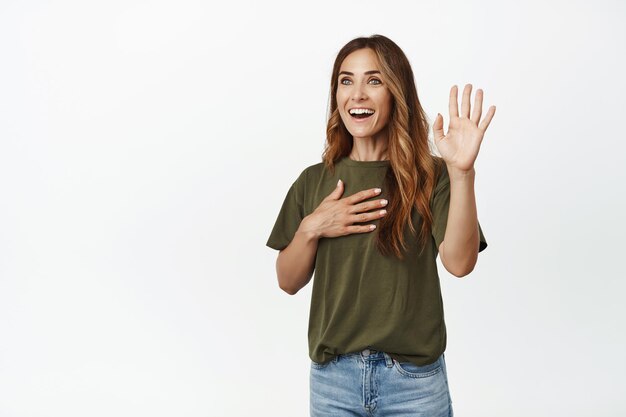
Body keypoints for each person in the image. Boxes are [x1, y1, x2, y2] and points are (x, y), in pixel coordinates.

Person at [266, 34, 495, 417]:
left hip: (414, 384)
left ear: (396, 92)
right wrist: (311, 227)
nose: (357, 94)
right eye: (346, 80)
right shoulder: (312, 181)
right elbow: (287, 281)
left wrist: (462, 173)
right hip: (333, 383)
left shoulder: (431, 175)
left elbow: (460, 263)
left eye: (374, 80)